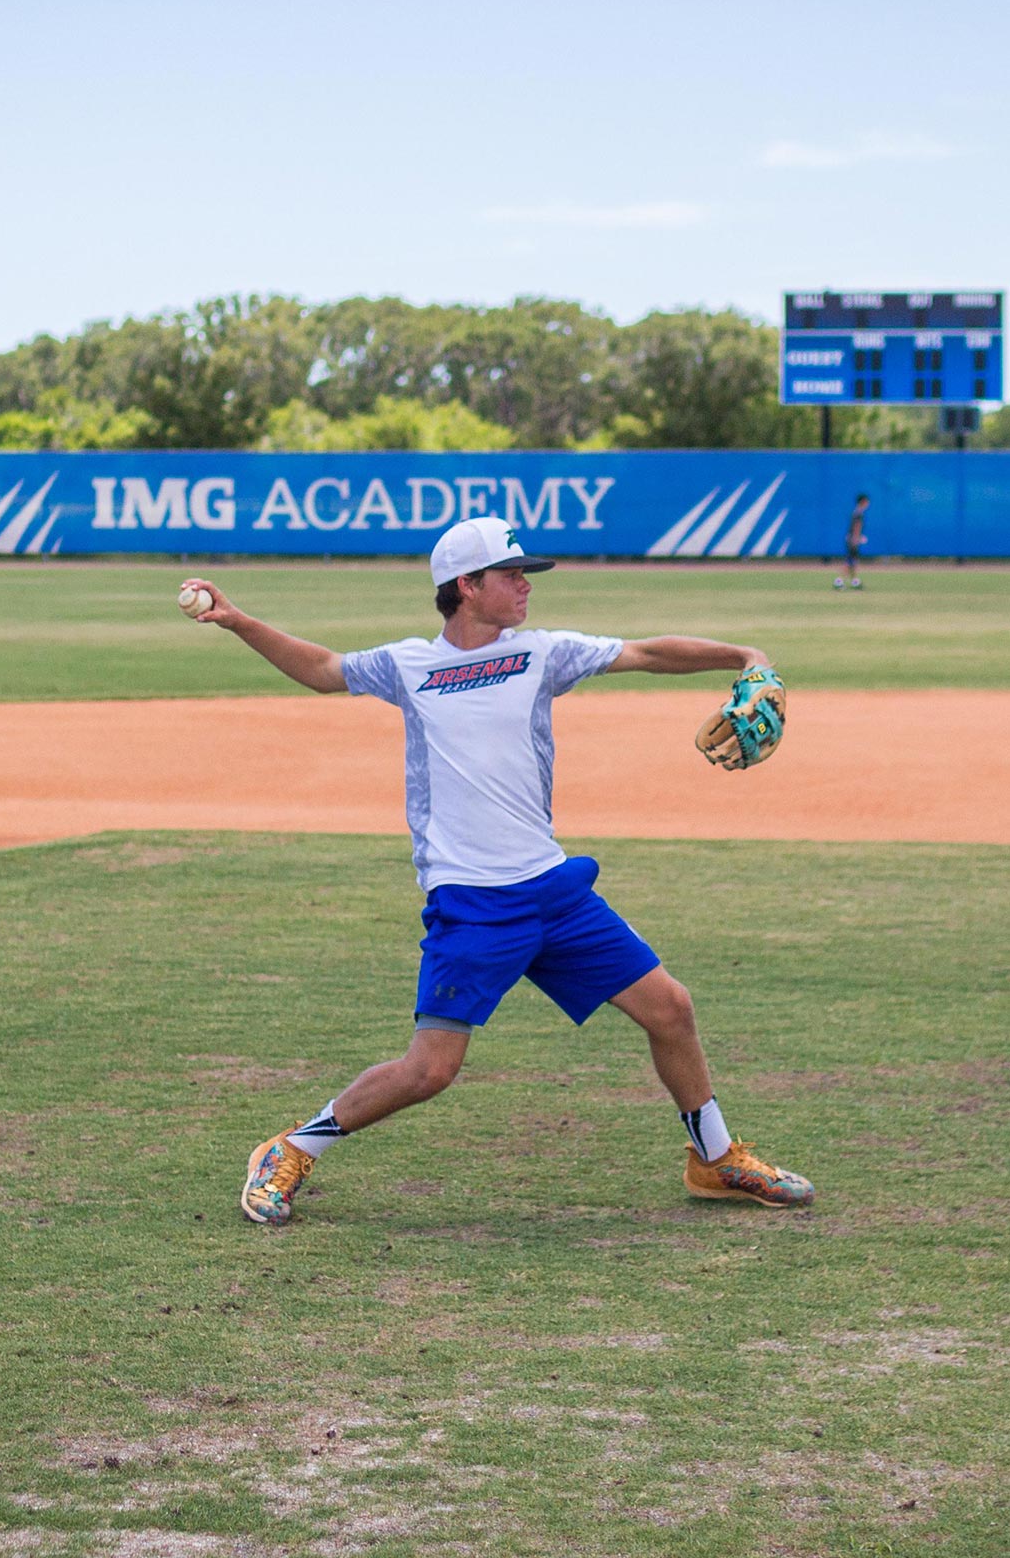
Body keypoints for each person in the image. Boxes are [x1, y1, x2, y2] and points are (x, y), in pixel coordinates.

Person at [183, 516, 814, 1224]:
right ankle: (291, 1147)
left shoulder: (541, 654)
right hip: (472, 901)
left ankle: (714, 1158)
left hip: (551, 889)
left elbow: (644, 652)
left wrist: (742, 654)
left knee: (669, 1006)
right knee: (430, 1070)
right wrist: (238, 621)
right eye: (510, 574)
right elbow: (322, 670)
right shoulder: (408, 665)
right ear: (466, 587)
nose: (524, 585)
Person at [835, 494, 870, 589]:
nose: (868, 504)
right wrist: (857, 538)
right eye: (867, 501)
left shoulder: (856, 512)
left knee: (854, 562)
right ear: (863, 501)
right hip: (853, 541)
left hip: (851, 539)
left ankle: (855, 581)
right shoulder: (859, 513)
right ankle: (838, 581)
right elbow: (857, 527)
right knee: (849, 562)